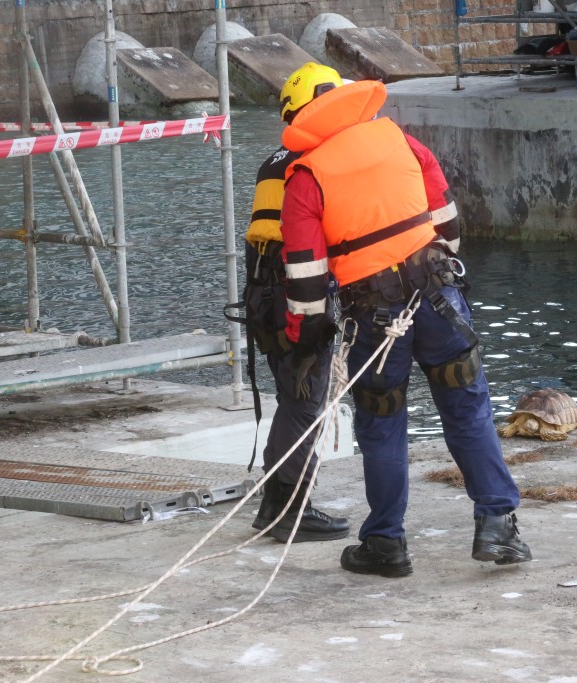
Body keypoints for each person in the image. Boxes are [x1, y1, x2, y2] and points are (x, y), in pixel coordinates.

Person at [278, 74, 532, 577]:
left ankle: (385, 543)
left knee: (382, 424)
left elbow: (305, 279)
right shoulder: (401, 140)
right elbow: (448, 223)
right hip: (439, 298)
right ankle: (497, 526)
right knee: (467, 409)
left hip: (373, 317)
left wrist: (304, 341)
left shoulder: (305, 176)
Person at [242, 63, 351, 544]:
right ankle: (287, 509)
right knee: (303, 404)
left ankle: (276, 505)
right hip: (296, 299)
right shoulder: (314, 158)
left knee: (294, 399)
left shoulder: (275, 159)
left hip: (266, 298)